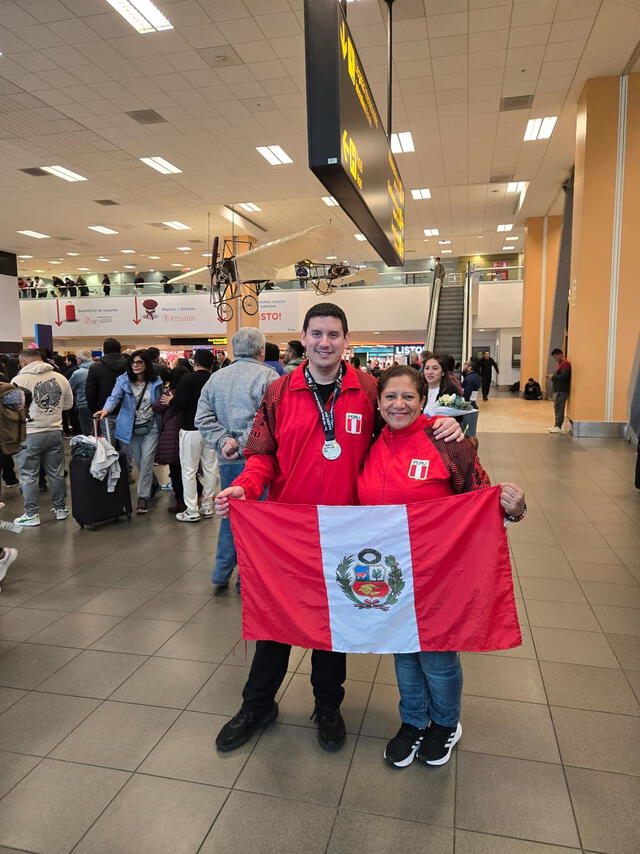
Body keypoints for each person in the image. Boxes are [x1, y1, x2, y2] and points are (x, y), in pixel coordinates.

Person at [212, 303, 464, 755]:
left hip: (348, 531)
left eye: (333, 334)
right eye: (316, 334)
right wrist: (247, 488)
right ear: (303, 338)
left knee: (335, 625)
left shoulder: (368, 389)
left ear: (346, 339)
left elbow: (402, 423)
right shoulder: (279, 391)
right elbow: (262, 453)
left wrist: (442, 423)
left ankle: (327, 706)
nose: (324, 342)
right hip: (290, 530)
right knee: (275, 620)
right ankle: (258, 705)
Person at [357, 365, 525, 768]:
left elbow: (482, 499)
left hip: (439, 571)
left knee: (436, 655)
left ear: (422, 400)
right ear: (378, 405)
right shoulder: (372, 442)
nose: (398, 405)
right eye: (390, 398)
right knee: (403, 651)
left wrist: (515, 509)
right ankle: (413, 721)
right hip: (391, 574)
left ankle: (446, 724)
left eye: (408, 397)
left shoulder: (445, 441)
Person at [195, 328, 279, 589]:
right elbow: (269, 419)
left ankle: (220, 573)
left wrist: (224, 442)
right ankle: (246, 579)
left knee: (230, 516)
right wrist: (245, 444)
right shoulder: (269, 377)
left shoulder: (216, 379)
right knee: (257, 521)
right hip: (259, 462)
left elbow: (202, 418)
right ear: (261, 350)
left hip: (227, 459)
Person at [94, 350, 163, 514]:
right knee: (139, 462)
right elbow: (114, 397)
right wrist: (105, 410)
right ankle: (153, 484)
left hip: (151, 426)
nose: (136, 365)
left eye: (139, 362)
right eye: (133, 362)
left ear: (146, 364)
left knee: (146, 461)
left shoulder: (156, 381)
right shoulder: (123, 380)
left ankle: (143, 497)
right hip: (130, 428)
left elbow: (159, 402)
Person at [12, 350, 73, 527]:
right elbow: (69, 404)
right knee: (56, 472)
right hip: (54, 431)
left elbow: (11, 409)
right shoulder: (60, 377)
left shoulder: (18, 380)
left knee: (28, 475)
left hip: (29, 433)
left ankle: (31, 514)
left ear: (23, 363)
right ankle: (61, 509)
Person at [169, 349, 218, 521]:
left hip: (190, 429)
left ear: (194, 362)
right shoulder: (216, 379)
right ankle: (207, 507)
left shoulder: (187, 379)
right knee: (210, 468)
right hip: (212, 429)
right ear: (212, 364)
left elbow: (179, 403)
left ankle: (192, 510)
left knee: (189, 470)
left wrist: (170, 401)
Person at [85, 338, 128, 441]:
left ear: (104, 350)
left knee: (108, 446)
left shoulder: (96, 367)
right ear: (119, 349)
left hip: (105, 410)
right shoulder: (130, 365)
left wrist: (95, 410)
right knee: (127, 446)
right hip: (128, 411)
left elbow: (90, 392)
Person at [69, 350, 94, 435]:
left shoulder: (78, 373)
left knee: (87, 431)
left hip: (83, 405)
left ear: (80, 359)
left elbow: (70, 388)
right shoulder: (98, 368)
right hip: (99, 405)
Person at [547, 348, 571, 433]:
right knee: (556, 408)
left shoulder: (565, 363)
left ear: (560, 354)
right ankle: (556, 425)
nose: (555, 359)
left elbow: (564, 376)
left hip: (562, 390)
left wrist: (553, 377)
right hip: (557, 389)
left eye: (555, 357)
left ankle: (559, 426)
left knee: (560, 408)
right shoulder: (559, 364)